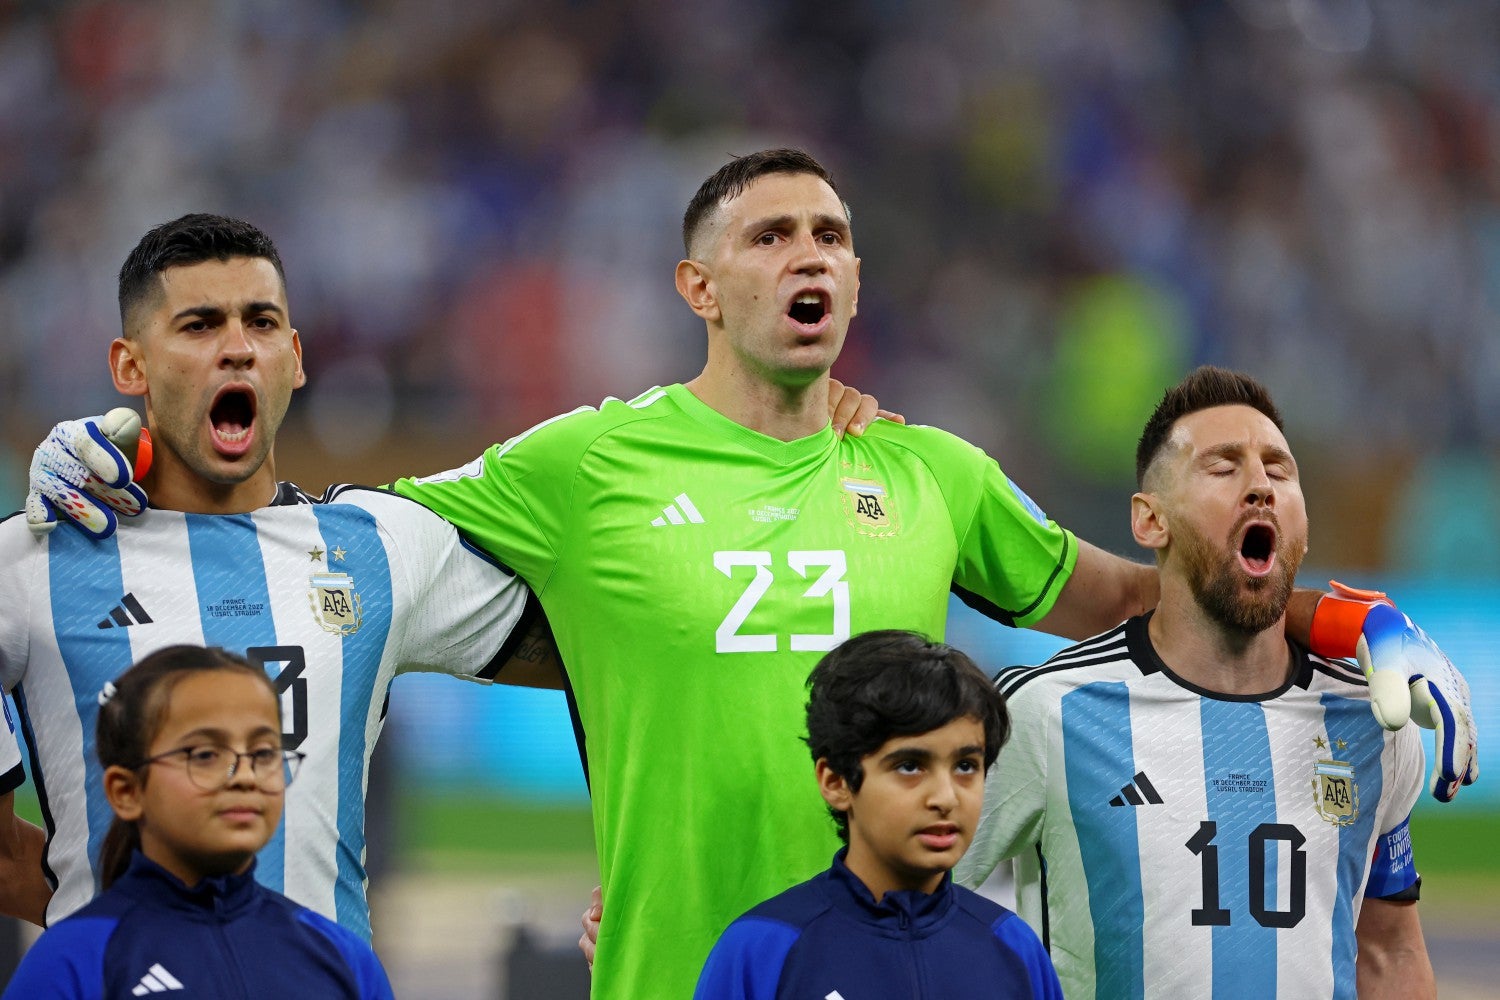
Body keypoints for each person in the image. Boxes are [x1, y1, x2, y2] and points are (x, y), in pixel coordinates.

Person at [30, 155, 1473, 999]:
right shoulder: (580, 465)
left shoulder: (930, 472)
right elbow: (297, 535)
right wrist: (114, 452)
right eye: (772, 236)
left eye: (834, 237)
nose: (813, 256)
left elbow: (1145, 600)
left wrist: (1355, 617)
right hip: (669, 970)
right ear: (698, 289)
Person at [0, 214, 556, 939]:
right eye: (198, 326)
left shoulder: (382, 547)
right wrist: (117, 926)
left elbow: (604, 650)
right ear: (130, 366)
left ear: (294, 357)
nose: (236, 349)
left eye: (260, 322)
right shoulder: (32, 559)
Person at [954, 366, 1439, 1000]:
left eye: (1279, 469)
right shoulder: (1047, 712)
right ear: (1150, 521)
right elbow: (909, 904)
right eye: (1223, 466)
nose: (1261, 484)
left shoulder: (1372, 720)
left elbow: (1388, 952)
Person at [2, 645, 393, 999]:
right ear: (126, 791)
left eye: (263, 752)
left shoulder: (342, 958)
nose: (244, 775)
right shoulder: (71, 963)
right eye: (205, 754)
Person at [694, 629, 1062, 1000]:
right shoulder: (761, 951)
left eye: (965, 765)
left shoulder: (1014, 948)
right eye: (909, 766)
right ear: (836, 781)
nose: (945, 797)